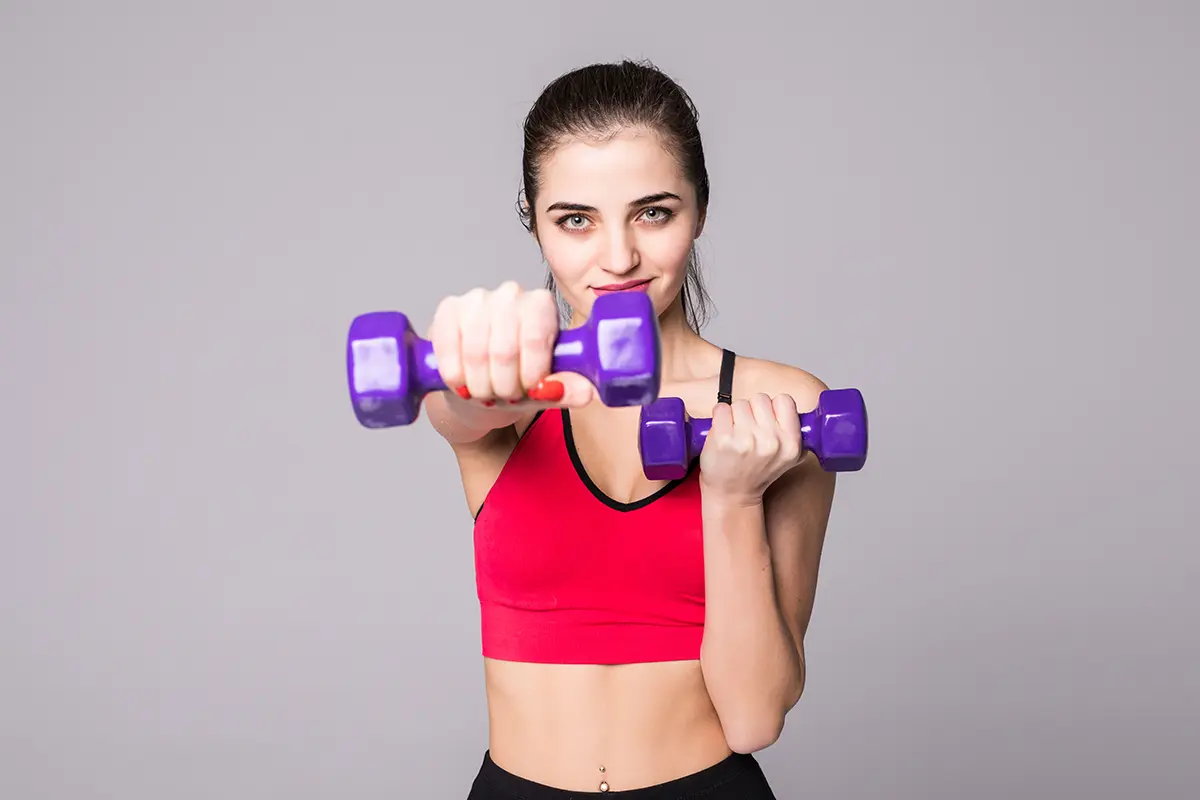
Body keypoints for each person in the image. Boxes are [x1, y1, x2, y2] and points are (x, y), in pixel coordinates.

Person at [422, 59, 839, 799]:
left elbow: (752, 718)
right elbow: (459, 408)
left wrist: (734, 497)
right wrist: (470, 356)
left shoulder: (782, 408)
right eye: (575, 220)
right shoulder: (509, 399)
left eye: (653, 212)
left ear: (700, 210)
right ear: (535, 219)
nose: (617, 258)